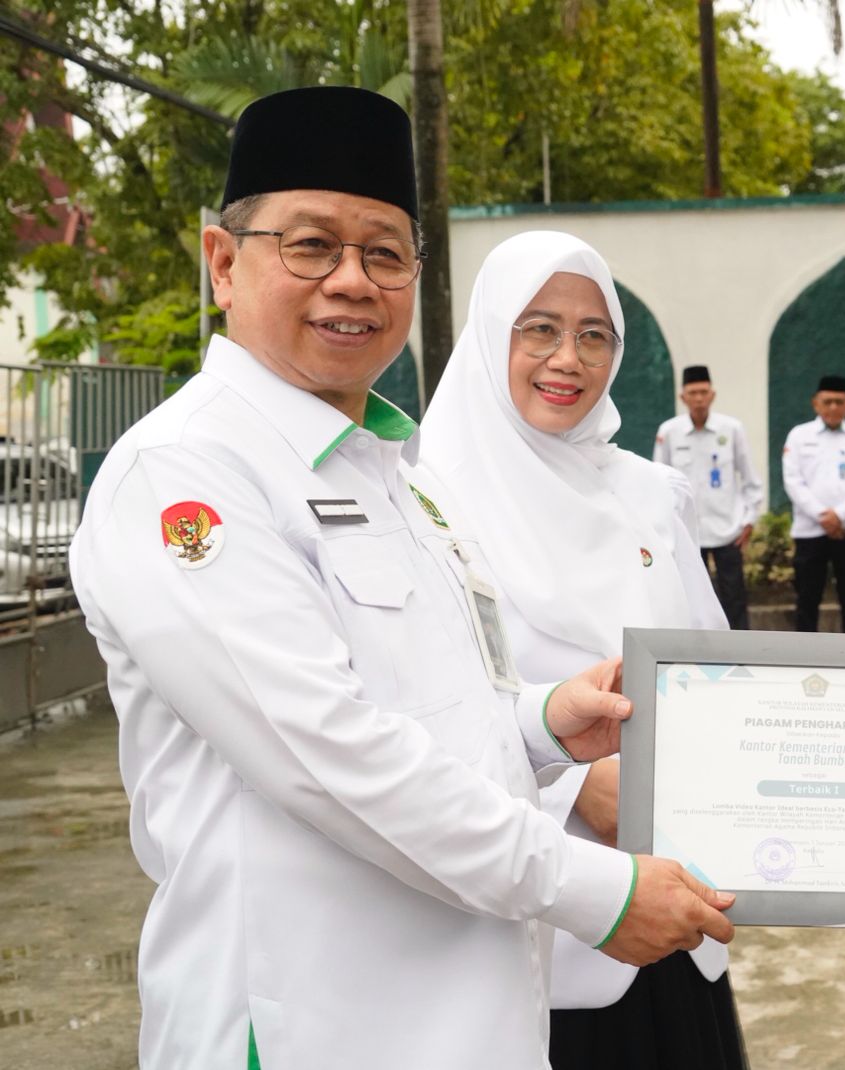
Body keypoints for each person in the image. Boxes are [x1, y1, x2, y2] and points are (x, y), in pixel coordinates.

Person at [67, 88, 733, 1070]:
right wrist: (596, 891)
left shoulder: (398, 478)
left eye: (384, 254)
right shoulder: (185, 473)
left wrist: (545, 720)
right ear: (223, 262)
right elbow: (327, 753)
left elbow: (435, 710)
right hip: (313, 1026)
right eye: (310, 246)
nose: (352, 281)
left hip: (475, 1020)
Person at [418, 231, 745, 1070]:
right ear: (491, 335)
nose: (568, 358)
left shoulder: (648, 494)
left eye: (593, 335)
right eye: (539, 329)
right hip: (541, 936)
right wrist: (572, 788)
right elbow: (415, 719)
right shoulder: (425, 507)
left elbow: (717, 669)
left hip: (676, 911)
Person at [653, 365, 764, 629]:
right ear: (683, 397)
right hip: (688, 532)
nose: (699, 399)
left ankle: (739, 649)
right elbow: (659, 481)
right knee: (691, 600)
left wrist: (749, 520)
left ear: (712, 395)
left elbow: (750, 478)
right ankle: (695, 650)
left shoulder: (732, 429)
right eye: (693, 393)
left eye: (704, 392)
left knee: (734, 597)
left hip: (728, 530)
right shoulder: (669, 432)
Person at [782, 375, 845, 633]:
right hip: (809, 530)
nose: (833, 407)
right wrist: (822, 516)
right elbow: (793, 481)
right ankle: (805, 653)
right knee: (807, 598)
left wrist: (840, 515)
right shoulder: (799, 436)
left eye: (839, 402)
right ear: (816, 403)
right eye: (827, 402)